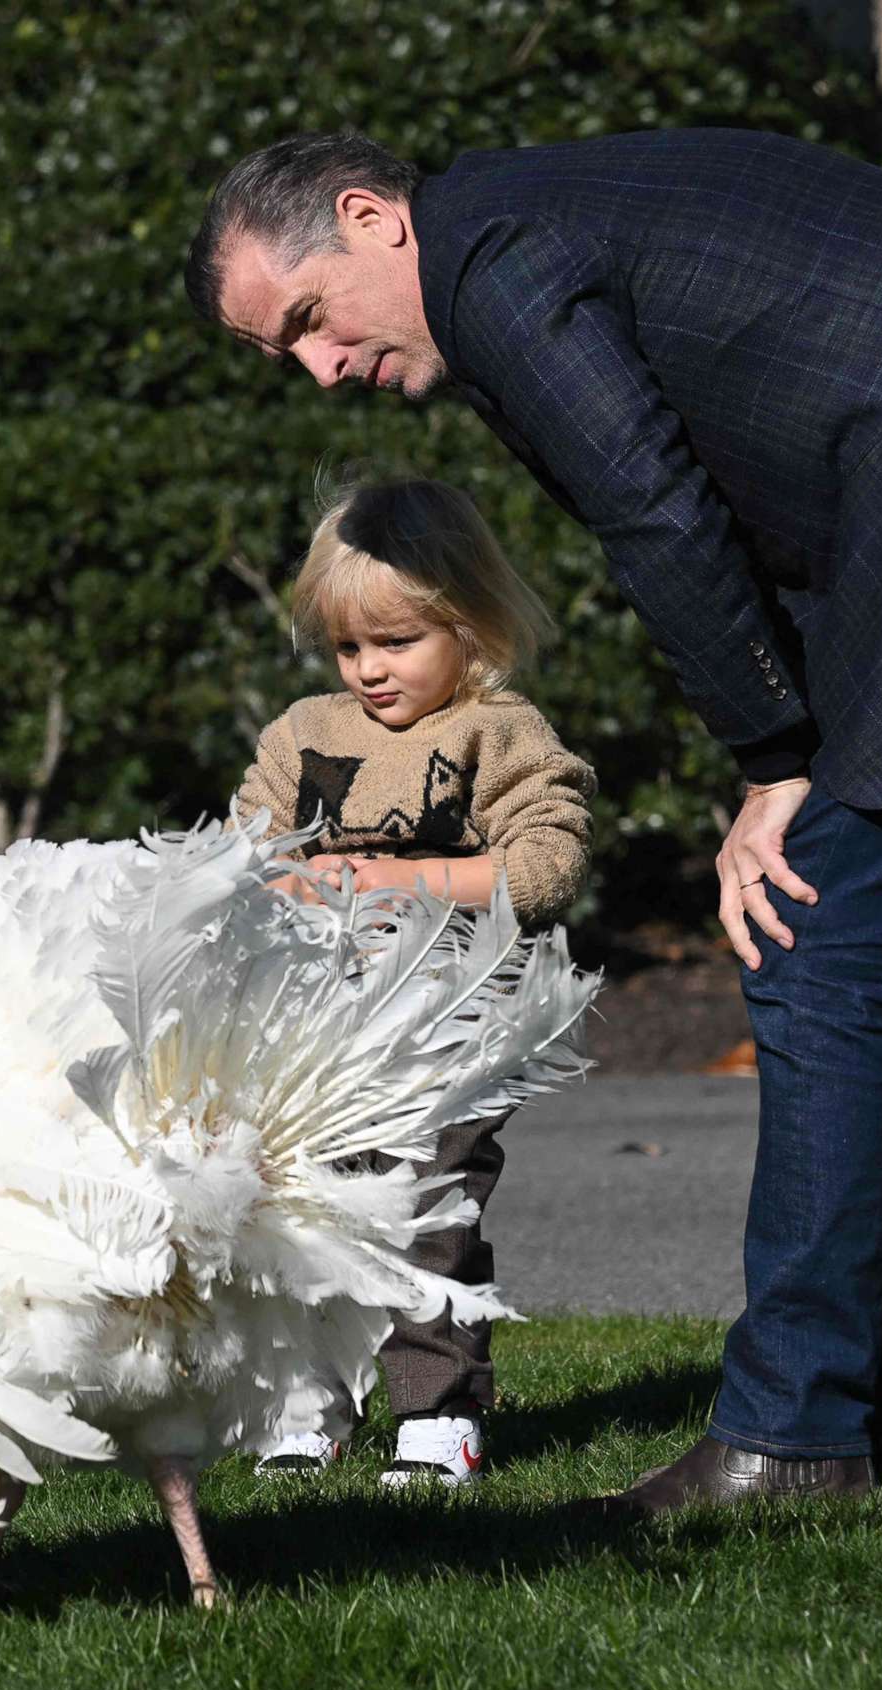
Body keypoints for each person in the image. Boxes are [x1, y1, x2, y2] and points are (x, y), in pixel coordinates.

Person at [188, 129, 882, 1512]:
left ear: (370, 219)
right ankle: (866, 1427)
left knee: (826, 933)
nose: (318, 367)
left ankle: (799, 1433)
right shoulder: (519, 219)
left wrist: (775, 754)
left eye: (308, 317)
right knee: (858, 940)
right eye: (281, 354)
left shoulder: (489, 263)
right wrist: (788, 738)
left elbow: (655, 507)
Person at [233, 477, 594, 1489]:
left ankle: (439, 1414)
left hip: (451, 1027)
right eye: (351, 646)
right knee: (303, 1209)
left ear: (471, 626)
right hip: (313, 1030)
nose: (369, 669)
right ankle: (310, 1397)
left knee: (428, 1211)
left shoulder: (498, 731)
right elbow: (240, 855)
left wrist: (406, 880)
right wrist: (280, 881)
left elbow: (545, 866)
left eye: (397, 641)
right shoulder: (302, 738)